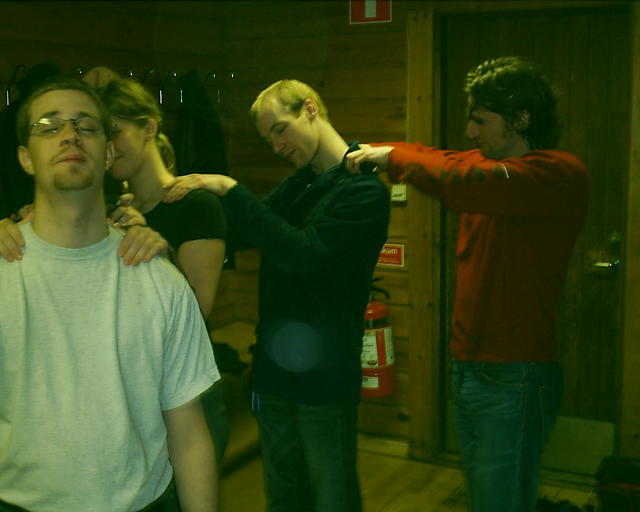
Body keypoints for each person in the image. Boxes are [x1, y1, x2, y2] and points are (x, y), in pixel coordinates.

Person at [345, 56, 589, 512]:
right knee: (488, 497)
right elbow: (443, 161)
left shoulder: (557, 173)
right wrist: (379, 150)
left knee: (502, 501)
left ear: (521, 119)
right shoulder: (485, 165)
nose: (470, 131)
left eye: (481, 120)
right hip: (470, 368)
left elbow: (458, 176)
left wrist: (390, 157)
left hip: (516, 375)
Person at [162, 79, 391, 512]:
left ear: (310, 109)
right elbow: (244, 232)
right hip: (274, 372)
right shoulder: (300, 185)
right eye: (268, 139)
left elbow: (302, 254)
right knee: (284, 495)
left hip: (325, 378)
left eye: (280, 129)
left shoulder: (362, 191)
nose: (277, 146)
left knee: (332, 497)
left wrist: (228, 187)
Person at [0, 76, 219, 511]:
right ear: (26, 158)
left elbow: (189, 434)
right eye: (49, 126)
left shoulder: (161, 281)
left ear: (107, 154)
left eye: (85, 125)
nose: (69, 135)